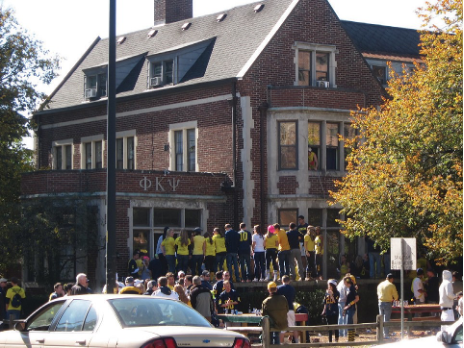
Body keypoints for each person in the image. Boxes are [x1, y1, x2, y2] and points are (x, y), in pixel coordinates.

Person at [277, 275, 299, 343]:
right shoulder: (292, 289)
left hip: (282, 309)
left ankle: (281, 344)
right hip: (291, 309)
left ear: (282, 281)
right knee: (293, 327)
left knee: (282, 329)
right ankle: (297, 343)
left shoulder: (278, 288)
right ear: (289, 281)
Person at [377, 274, 399, 339]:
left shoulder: (380, 284)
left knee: (381, 318)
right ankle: (386, 334)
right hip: (387, 303)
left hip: (380, 302)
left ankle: (381, 334)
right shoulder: (391, 285)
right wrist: (395, 299)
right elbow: (396, 296)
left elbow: (378, 293)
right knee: (386, 319)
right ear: (391, 279)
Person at [343, 276, 359, 342]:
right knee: (348, 322)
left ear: (346, 282)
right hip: (348, 308)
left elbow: (357, 298)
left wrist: (349, 305)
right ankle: (350, 338)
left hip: (351, 308)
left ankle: (351, 339)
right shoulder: (348, 288)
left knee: (350, 323)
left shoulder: (352, 288)